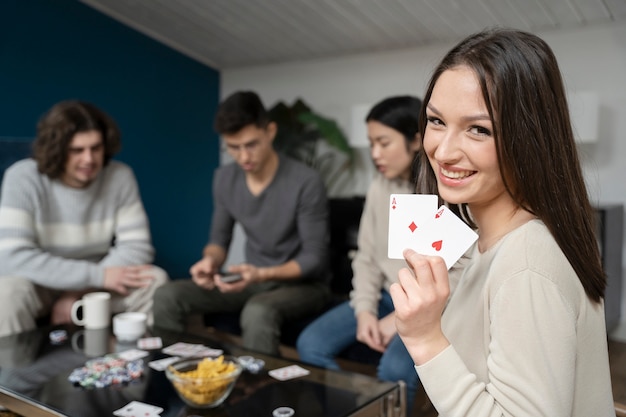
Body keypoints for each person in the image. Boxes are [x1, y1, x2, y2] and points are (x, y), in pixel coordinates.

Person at [390, 28, 614, 416]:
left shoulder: (527, 262)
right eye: (436, 121)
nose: (442, 151)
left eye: (479, 129)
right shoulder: (491, 239)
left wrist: (425, 339)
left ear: (528, 138)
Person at [152, 91, 331, 356]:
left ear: (270, 131)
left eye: (251, 144)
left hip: (303, 286)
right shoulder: (224, 179)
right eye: (233, 147)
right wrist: (210, 262)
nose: (244, 156)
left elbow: (314, 258)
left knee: (258, 311)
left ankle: (259, 394)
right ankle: (178, 381)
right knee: (167, 295)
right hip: (251, 280)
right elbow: (218, 240)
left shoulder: (305, 181)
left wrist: (261, 274)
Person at [296, 96, 423, 415]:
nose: (375, 154)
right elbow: (366, 257)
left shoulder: (444, 191)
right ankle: (355, 412)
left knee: (394, 372)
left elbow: (455, 277)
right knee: (310, 344)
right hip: (385, 295)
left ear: (417, 140)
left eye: (384, 142)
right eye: (371, 143)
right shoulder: (380, 186)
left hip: (429, 307)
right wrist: (365, 310)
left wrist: (398, 320)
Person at [0, 100, 169, 337]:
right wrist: (96, 276)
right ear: (57, 149)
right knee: (5, 293)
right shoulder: (22, 177)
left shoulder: (120, 176)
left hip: (97, 283)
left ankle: (140, 365)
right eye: (76, 150)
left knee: (155, 280)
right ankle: (14, 372)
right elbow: (12, 258)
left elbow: (138, 248)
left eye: (96, 148)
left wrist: (77, 292)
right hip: (41, 284)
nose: (89, 160)